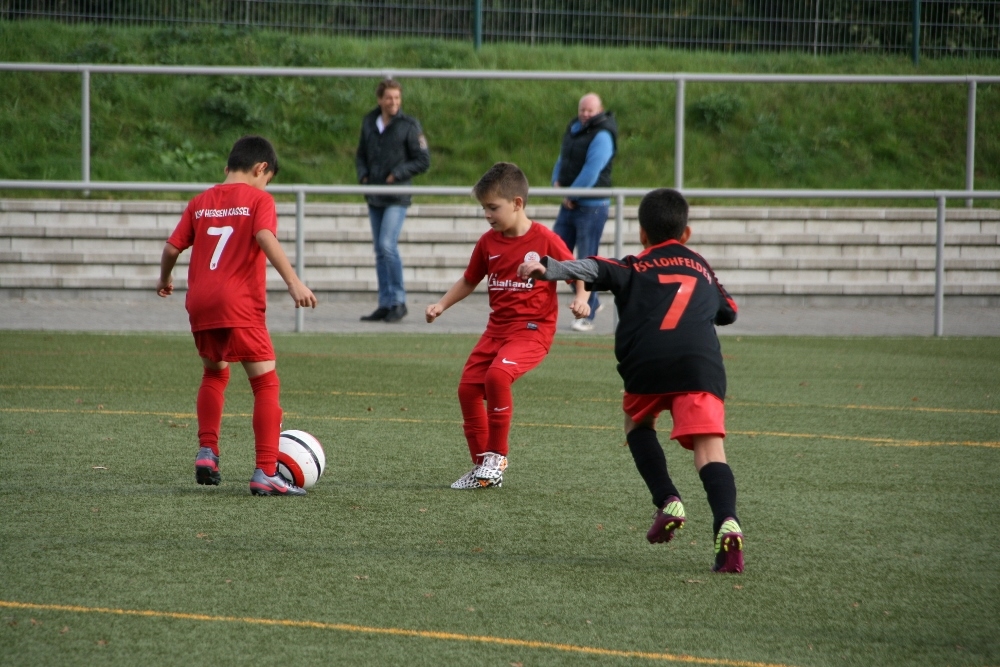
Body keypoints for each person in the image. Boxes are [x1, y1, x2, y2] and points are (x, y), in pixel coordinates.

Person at [517, 188, 745, 573]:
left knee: (638, 424)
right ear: (686, 234)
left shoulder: (634, 265)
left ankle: (668, 499)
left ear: (642, 234)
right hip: (700, 365)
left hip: (647, 362)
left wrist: (549, 268)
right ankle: (728, 521)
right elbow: (730, 311)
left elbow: (595, 268)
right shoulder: (702, 267)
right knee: (709, 450)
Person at [157, 135, 317, 497]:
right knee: (265, 383)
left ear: (227, 166)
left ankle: (207, 452)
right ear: (261, 169)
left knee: (214, 373)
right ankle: (266, 472)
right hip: (239, 303)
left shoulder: (200, 202)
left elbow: (171, 248)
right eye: (267, 179)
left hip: (200, 302)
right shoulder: (260, 200)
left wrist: (164, 279)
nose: (265, 186)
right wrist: (294, 282)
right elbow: (264, 236)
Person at [426, 162, 590, 489]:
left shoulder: (545, 239)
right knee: (468, 389)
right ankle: (482, 470)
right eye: (484, 209)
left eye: (493, 207)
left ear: (517, 203)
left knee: (497, 376)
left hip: (532, 330)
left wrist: (582, 298)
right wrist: (441, 304)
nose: (487, 215)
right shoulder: (488, 243)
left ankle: (497, 456)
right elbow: (470, 279)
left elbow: (577, 272)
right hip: (496, 330)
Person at [355, 78, 431, 323]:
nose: (393, 102)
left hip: (396, 195)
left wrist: (396, 174)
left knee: (387, 245)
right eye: (389, 97)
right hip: (374, 195)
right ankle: (385, 303)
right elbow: (361, 154)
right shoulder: (369, 121)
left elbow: (423, 160)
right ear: (380, 99)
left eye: (397, 97)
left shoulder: (409, 125)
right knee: (380, 250)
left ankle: (399, 301)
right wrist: (363, 176)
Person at [551, 92, 617, 332]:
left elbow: (592, 170)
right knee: (555, 253)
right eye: (582, 110)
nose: (585, 114)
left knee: (586, 259)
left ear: (600, 110)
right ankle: (593, 301)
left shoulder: (603, 135)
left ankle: (587, 313)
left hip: (591, 206)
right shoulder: (574, 129)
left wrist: (572, 194)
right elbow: (562, 158)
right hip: (570, 203)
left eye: (590, 110)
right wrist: (556, 183)